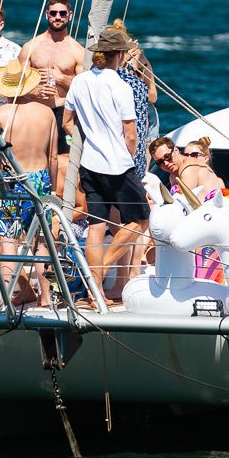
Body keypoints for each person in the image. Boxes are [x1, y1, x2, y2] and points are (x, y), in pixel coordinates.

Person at [64, 23, 144, 304]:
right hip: (118, 164)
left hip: (90, 162)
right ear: (120, 54)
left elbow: (67, 122)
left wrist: (90, 138)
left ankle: (93, 288)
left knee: (96, 226)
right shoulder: (120, 86)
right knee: (140, 220)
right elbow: (130, 134)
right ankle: (100, 274)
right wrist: (128, 158)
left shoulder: (80, 80)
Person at [0, 61, 58, 303]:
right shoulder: (46, 113)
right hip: (39, 179)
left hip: (9, 181)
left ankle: (10, 295)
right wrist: (53, 188)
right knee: (41, 241)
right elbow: (54, 158)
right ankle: (46, 296)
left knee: (7, 240)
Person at [19, 0, 86, 190]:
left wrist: (62, 78)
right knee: (34, 158)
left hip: (64, 112)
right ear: (47, 14)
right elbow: (15, 86)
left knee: (64, 159)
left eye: (62, 13)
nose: (58, 17)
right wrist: (34, 92)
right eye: (53, 13)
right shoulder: (31, 47)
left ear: (70, 16)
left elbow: (84, 87)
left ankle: (61, 199)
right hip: (36, 112)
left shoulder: (77, 50)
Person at [118, 42, 160, 176]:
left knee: (142, 169)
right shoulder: (107, 63)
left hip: (144, 117)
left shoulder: (140, 59)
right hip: (120, 116)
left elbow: (153, 96)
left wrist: (137, 69)